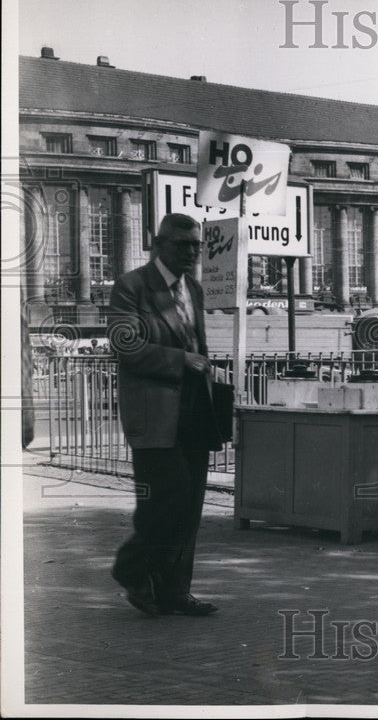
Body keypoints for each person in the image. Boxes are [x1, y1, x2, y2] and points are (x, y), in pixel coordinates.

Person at [108, 212, 224, 617]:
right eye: (182, 244)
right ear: (157, 245)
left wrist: (205, 369)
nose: (192, 251)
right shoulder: (131, 287)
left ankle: (173, 590)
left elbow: (198, 345)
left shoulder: (194, 287)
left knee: (190, 504)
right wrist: (183, 360)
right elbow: (127, 347)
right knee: (167, 496)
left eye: (196, 244)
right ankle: (131, 568)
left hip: (195, 412)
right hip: (155, 413)